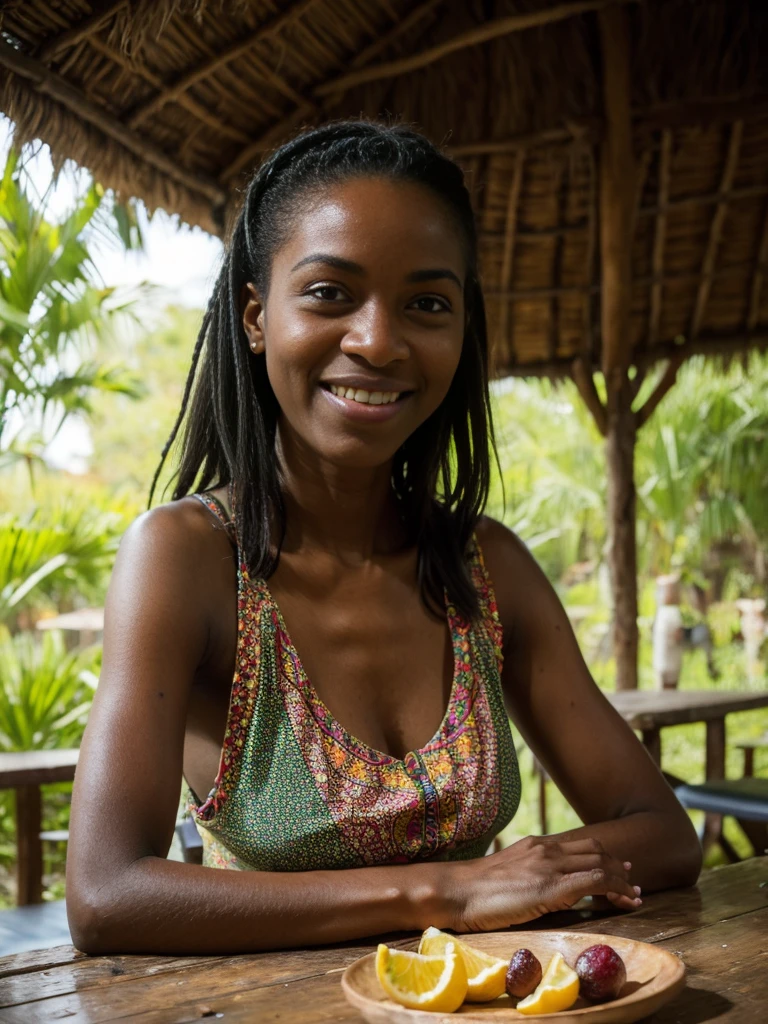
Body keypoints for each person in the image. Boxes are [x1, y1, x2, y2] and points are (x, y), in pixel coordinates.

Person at [66, 120, 701, 956]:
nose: (378, 340)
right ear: (257, 318)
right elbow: (108, 894)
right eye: (331, 293)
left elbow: (665, 835)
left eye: (427, 304)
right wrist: (447, 891)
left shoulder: (487, 568)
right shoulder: (188, 559)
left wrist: (537, 868)